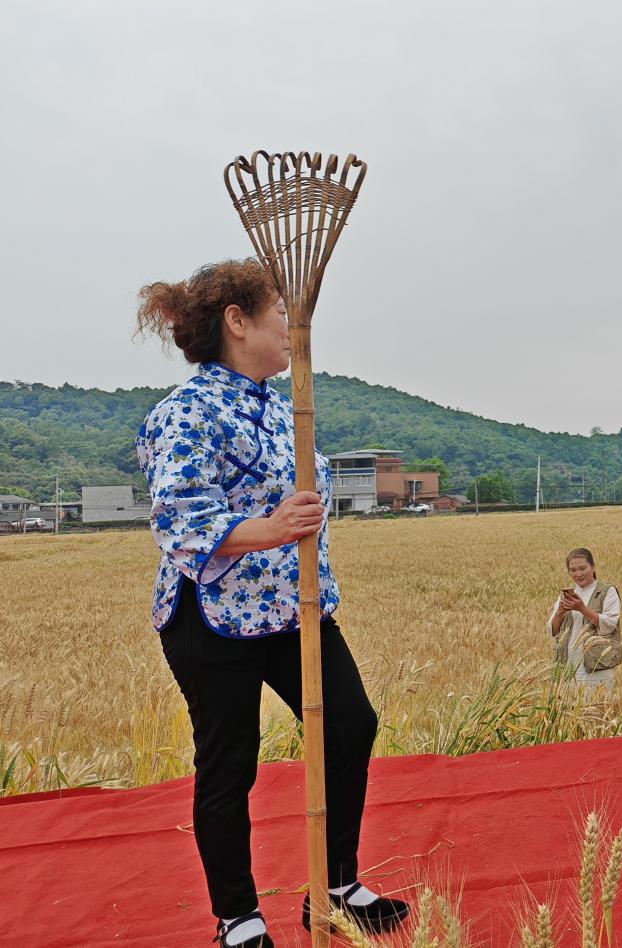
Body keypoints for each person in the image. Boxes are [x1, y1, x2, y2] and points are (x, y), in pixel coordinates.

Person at [134, 261, 408, 947]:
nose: (292, 329)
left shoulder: (284, 409)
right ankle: (239, 918)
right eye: (280, 315)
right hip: (212, 616)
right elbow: (181, 522)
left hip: (291, 608)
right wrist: (274, 527)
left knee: (350, 724)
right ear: (238, 321)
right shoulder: (185, 412)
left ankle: (334, 886)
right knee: (231, 763)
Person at [546, 548, 622, 691]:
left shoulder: (607, 591)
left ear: (593, 567)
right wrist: (560, 612)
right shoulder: (566, 595)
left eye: (582, 568)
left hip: (597, 667)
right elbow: (553, 631)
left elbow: (610, 625)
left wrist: (582, 608)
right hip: (567, 666)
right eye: (573, 570)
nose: (578, 574)